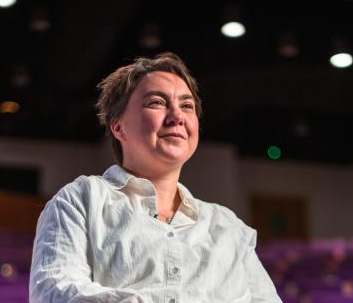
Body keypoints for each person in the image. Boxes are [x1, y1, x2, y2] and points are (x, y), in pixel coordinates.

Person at [29, 52, 282, 303]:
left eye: (187, 106)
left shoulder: (229, 227)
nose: (177, 116)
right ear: (118, 127)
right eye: (156, 103)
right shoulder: (81, 200)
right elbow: (54, 293)